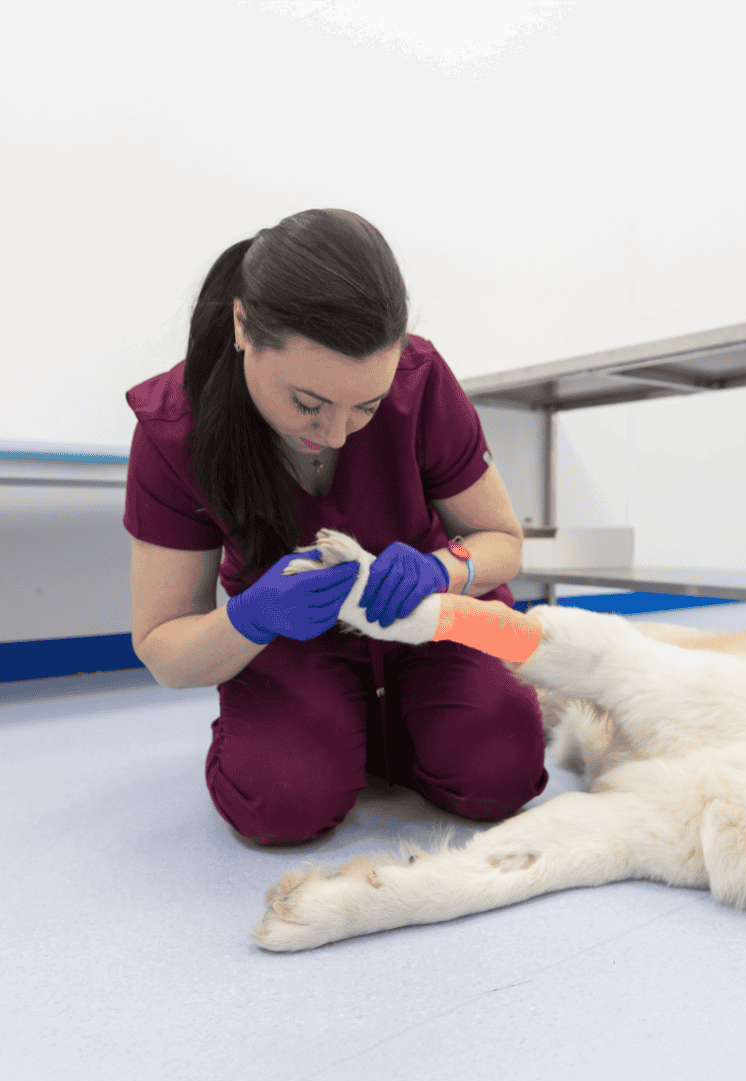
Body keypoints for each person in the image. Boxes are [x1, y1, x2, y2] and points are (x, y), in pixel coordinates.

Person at [125, 208, 548, 845]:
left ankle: (392, 724)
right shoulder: (174, 429)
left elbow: (503, 542)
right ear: (243, 325)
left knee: (498, 776)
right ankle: (343, 728)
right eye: (307, 403)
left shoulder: (422, 381)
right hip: (291, 639)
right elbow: (164, 646)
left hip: (427, 616)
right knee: (280, 804)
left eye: (368, 407)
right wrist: (251, 618)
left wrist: (444, 568)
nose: (335, 435)